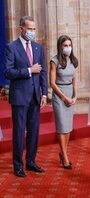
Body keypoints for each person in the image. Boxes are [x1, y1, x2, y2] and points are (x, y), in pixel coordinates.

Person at [4, 16, 47, 178]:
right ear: (21, 28)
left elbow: (42, 72)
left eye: (34, 29)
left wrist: (44, 93)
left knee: (34, 132)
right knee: (19, 132)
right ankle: (18, 165)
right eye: (29, 29)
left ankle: (30, 162)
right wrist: (29, 70)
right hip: (20, 97)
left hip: (36, 97)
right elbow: (8, 72)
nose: (32, 32)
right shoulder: (12, 47)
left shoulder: (38, 48)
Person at [49, 35, 78, 169]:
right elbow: (52, 84)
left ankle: (63, 153)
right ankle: (65, 157)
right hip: (59, 96)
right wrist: (64, 98)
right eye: (65, 45)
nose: (68, 48)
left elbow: (74, 80)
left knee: (68, 127)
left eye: (69, 45)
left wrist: (75, 96)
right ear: (60, 46)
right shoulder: (54, 61)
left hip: (70, 94)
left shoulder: (73, 60)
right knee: (62, 127)